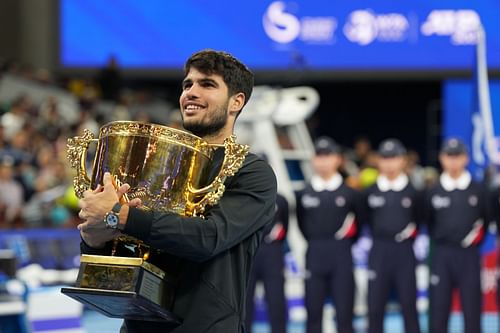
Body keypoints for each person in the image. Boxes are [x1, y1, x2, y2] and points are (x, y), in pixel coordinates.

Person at [77, 49, 277, 333]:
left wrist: (118, 216)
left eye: (207, 84)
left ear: (236, 102)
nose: (191, 92)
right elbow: (125, 249)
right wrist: (93, 237)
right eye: (187, 84)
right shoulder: (158, 164)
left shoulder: (251, 172)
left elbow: (209, 237)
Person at [296, 136, 362, 333]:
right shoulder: (304, 193)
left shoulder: (351, 194)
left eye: (328, 156)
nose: (323, 161)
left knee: (344, 314)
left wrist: (343, 242)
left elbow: (361, 222)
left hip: (341, 254)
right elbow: (302, 224)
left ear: (338, 159)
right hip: (315, 253)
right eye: (319, 156)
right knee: (313, 313)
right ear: (313, 160)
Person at [425, 138, 487, 333]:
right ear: (441, 158)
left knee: (472, 310)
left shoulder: (479, 190)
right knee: (438, 310)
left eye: (457, 156)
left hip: (469, 255)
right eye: (449, 156)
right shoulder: (431, 192)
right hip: (442, 255)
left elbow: (486, 218)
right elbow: (427, 220)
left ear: (466, 158)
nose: (453, 161)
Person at [364, 139, 421, 333]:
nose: (389, 163)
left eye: (394, 158)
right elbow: (366, 219)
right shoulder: (369, 192)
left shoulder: (414, 192)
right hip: (379, 250)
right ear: (378, 161)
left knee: (408, 304)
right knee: (374, 306)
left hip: (404, 251)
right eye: (385, 158)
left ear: (403, 160)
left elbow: (420, 219)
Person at [245, 193, 288, 333]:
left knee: (276, 300)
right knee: (244, 302)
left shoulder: (280, 200)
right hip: (248, 252)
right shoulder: (244, 199)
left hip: (272, 253)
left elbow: (285, 226)